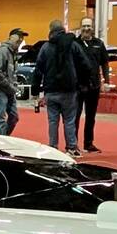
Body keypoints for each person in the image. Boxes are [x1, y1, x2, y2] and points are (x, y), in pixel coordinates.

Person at [32, 19, 84, 154]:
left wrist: (35, 91)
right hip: (69, 90)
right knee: (69, 120)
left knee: (53, 121)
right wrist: (80, 82)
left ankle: (53, 147)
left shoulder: (45, 47)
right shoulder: (73, 45)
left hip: (51, 90)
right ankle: (71, 147)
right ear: (63, 29)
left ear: (51, 31)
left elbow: (38, 70)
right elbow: (85, 64)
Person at [75, 21, 109, 153]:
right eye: (84, 26)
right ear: (80, 28)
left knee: (91, 116)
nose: (86, 28)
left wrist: (106, 81)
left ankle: (88, 143)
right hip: (78, 85)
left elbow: (105, 63)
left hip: (94, 85)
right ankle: (73, 144)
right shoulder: (74, 43)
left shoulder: (99, 44)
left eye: (88, 26)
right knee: (75, 116)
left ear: (92, 28)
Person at [0, 28, 26, 136]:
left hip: (8, 89)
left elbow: (11, 72)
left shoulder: (13, 53)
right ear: (13, 38)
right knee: (1, 118)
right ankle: (2, 142)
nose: (21, 40)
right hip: (0, 90)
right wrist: (9, 86)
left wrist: (12, 86)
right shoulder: (4, 51)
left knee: (14, 117)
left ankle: (4, 137)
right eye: (19, 38)